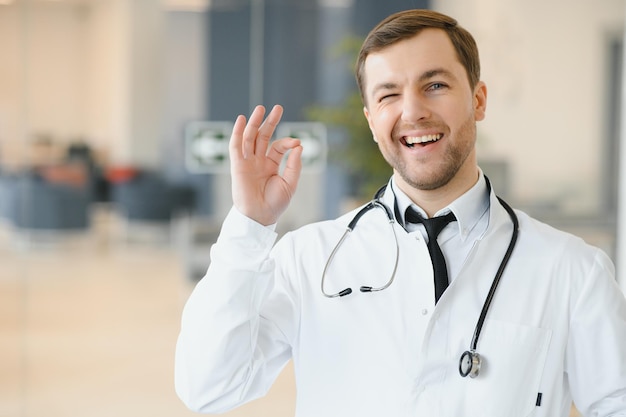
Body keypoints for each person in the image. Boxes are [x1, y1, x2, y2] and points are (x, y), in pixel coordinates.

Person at [175, 9, 626, 417]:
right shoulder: (309, 258)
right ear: (372, 120)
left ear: (479, 99)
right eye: (389, 95)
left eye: (435, 85)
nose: (412, 111)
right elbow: (209, 387)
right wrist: (250, 226)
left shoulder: (572, 270)